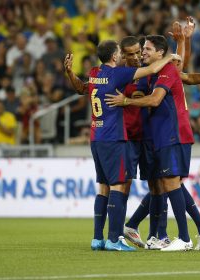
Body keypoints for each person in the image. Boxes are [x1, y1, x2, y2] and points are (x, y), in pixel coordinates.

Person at [65, 39, 177, 252]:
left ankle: (98, 238)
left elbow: (81, 88)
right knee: (118, 186)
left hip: (96, 136)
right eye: (125, 53)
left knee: (104, 188)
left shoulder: (95, 73)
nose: (134, 57)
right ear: (117, 56)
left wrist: (70, 73)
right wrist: (169, 56)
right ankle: (114, 239)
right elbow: (154, 68)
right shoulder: (119, 74)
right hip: (114, 138)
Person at [105, 35, 200, 251]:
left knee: (167, 183)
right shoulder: (146, 74)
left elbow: (180, 69)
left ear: (159, 53)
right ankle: (182, 233)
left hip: (168, 135)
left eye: (145, 49)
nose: (141, 54)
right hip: (150, 136)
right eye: (136, 51)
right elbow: (177, 67)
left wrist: (185, 41)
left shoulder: (164, 70)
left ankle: (176, 236)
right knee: (162, 184)